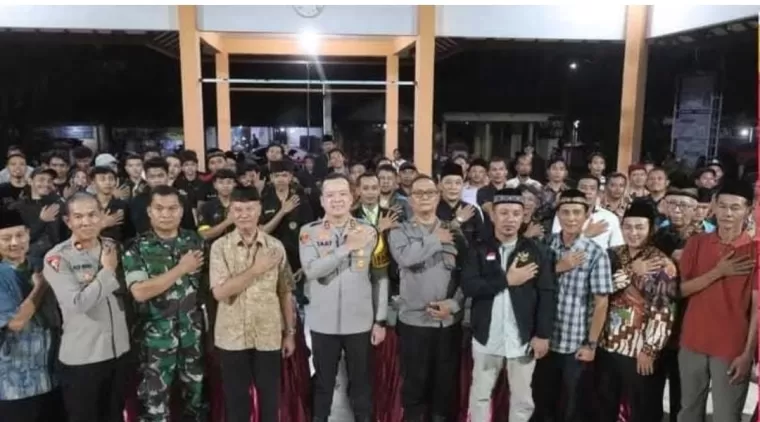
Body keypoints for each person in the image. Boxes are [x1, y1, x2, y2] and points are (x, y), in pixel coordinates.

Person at [299, 173, 389, 422]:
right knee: (323, 384)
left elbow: (380, 278)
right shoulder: (309, 233)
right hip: (322, 323)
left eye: (342, 194)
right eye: (330, 195)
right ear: (322, 200)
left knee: (361, 384)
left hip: (360, 323)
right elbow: (312, 270)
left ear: (352, 198)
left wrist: (380, 320)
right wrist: (346, 248)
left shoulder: (369, 232)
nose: (336, 200)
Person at [462, 188, 556, 422]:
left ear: (524, 216)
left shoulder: (537, 251)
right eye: (503, 213)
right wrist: (507, 280)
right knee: (480, 395)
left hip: (522, 337)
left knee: (523, 399)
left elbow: (547, 294)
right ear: (493, 215)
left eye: (515, 213)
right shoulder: (479, 248)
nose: (509, 219)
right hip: (486, 335)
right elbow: (470, 286)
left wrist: (543, 334)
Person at [209, 187, 297, 422]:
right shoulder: (220, 247)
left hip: (268, 335)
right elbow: (219, 292)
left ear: (259, 210)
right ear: (231, 211)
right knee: (237, 403)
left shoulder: (275, 247)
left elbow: (285, 292)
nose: (244, 214)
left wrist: (289, 333)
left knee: (270, 401)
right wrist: (256, 270)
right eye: (238, 210)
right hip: (231, 336)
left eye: (249, 209)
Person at [121, 185, 207, 422]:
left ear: (181, 211)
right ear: (149, 211)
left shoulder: (195, 241)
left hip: (192, 337)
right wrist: (181, 268)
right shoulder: (135, 248)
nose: (166, 214)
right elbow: (139, 292)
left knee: (197, 403)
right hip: (154, 342)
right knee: (155, 407)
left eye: (172, 208)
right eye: (159, 208)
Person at [43, 192, 131, 422]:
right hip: (84, 358)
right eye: (78, 216)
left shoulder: (113, 247)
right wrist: (107, 272)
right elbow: (76, 304)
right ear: (67, 221)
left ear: (102, 216)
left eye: (93, 214)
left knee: (115, 415)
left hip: (119, 352)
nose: (86, 221)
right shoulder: (58, 258)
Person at [388, 175, 467, 422]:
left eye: (430, 193)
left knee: (444, 387)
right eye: (418, 194)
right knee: (415, 386)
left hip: (447, 324)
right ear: (410, 200)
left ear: (438, 197)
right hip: (414, 323)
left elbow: (467, 277)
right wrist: (434, 240)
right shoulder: (399, 231)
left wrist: (453, 305)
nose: (424, 198)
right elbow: (406, 259)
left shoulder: (455, 233)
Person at [676, 181, 757, 422]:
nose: (727, 213)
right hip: (692, 340)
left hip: (731, 347)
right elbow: (680, 290)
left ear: (749, 210)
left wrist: (748, 354)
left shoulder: (754, 251)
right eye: (722, 206)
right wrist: (718, 272)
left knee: (726, 416)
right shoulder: (697, 243)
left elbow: (757, 310)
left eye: (735, 207)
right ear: (713, 207)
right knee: (688, 411)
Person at [533, 189, 613, 422]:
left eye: (577, 212)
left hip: (574, 342)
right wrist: (558, 267)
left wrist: (591, 344)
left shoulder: (595, 253)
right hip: (544, 337)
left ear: (586, 215)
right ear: (557, 214)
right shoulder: (544, 246)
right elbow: (528, 285)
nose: (571, 218)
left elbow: (601, 303)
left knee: (572, 407)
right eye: (565, 212)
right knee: (541, 401)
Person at [596, 200, 677, 422]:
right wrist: (631, 270)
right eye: (628, 227)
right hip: (606, 342)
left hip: (638, 346)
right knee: (604, 405)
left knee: (642, 408)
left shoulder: (662, 263)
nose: (633, 232)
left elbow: (663, 312)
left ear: (650, 229)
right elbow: (598, 290)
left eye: (640, 227)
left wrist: (650, 349)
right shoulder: (610, 255)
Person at [0, 207, 62, 422]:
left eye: (19, 235)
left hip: (51, 378)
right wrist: (40, 287)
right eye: (6, 238)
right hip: (14, 386)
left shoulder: (40, 264)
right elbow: (16, 322)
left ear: (28, 234)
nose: (15, 243)